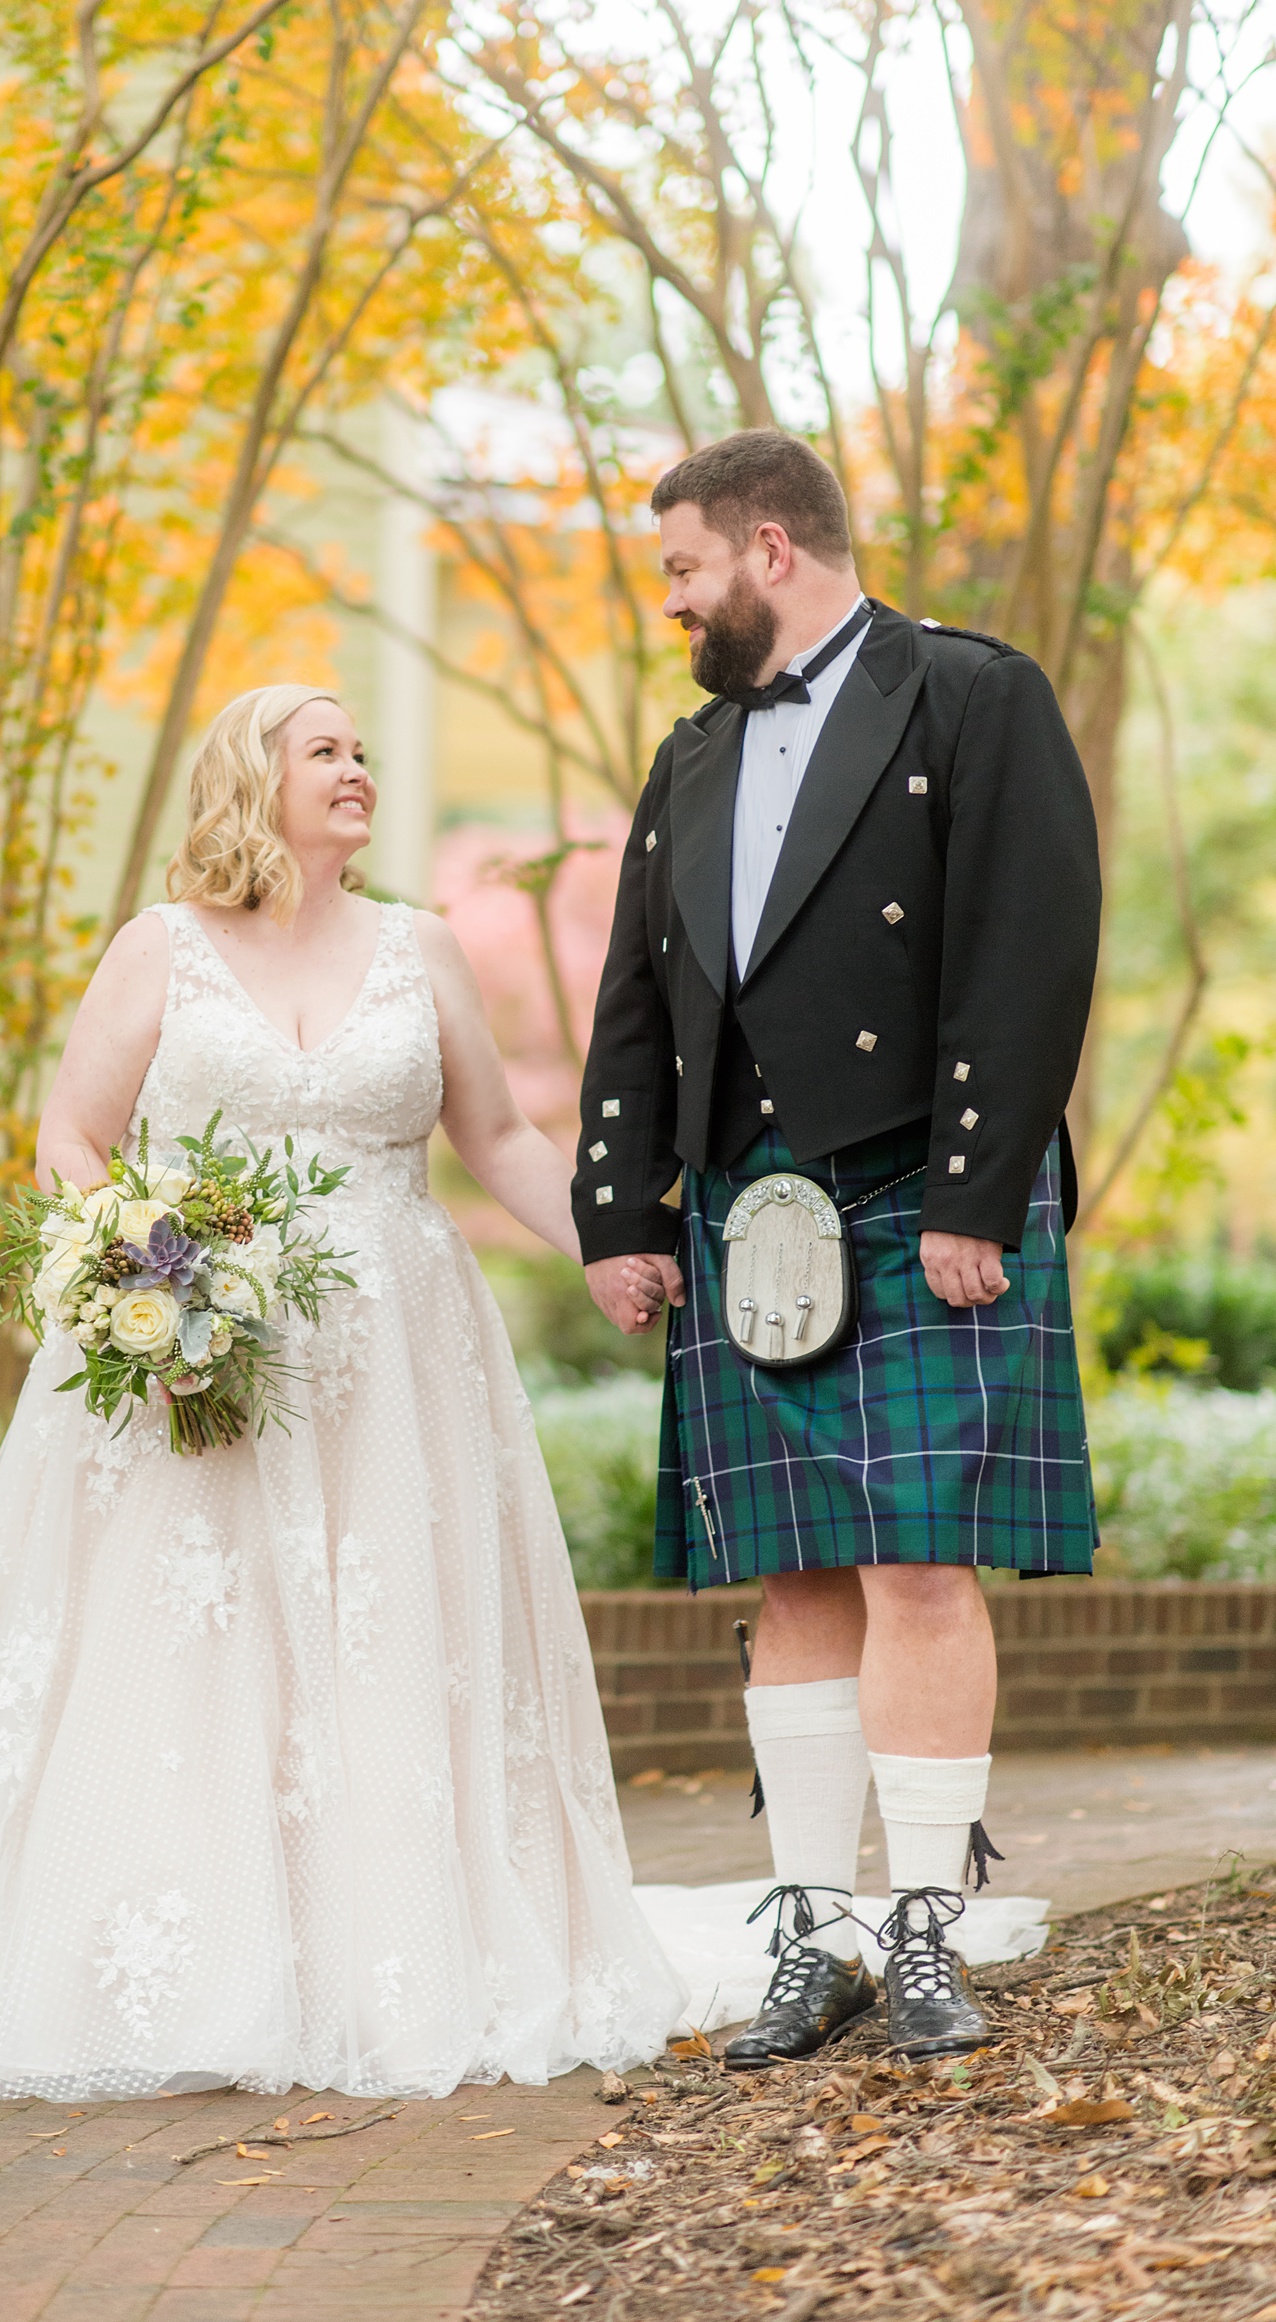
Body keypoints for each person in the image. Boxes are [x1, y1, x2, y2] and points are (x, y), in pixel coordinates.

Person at [0, 684, 684, 2099]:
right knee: (199, 1651)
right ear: (256, 778)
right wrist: (153, 1279)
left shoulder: (422, 951)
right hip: (196, 1348)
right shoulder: (159, 952)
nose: (358, 770)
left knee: (377, 1647)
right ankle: (200, 1955)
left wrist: (609, 1245)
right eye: (327, 752)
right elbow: (73, 1132)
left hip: (397, 1367)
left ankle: (390, 1952)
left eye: (364, 751)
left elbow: (492, 1130)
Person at [575, 431, 1100, 2063]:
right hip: (749, 1199)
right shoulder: (692, 756)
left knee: (917, 1562)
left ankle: (925, 1928)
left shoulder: (967, 695)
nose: (671, 603)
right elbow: (642, 992)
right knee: (792, 1569)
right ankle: (812, 1929)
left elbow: (1031, 946)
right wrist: (625, 1206)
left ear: (772, 548)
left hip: (910, 1183)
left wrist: (971, 1192)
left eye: (682, 568)